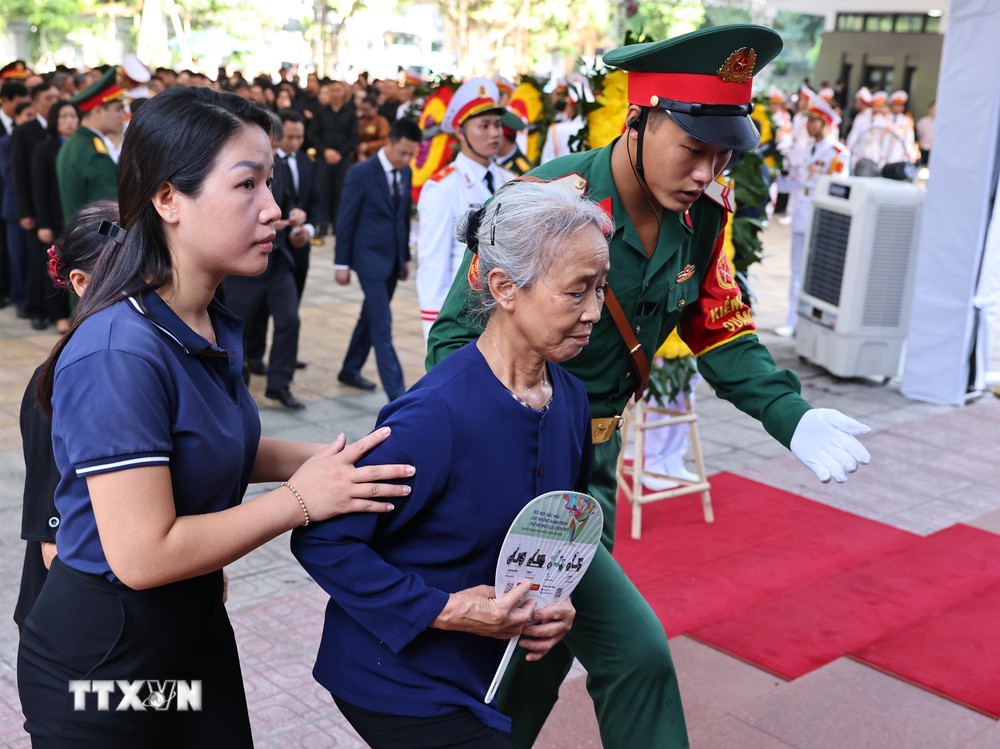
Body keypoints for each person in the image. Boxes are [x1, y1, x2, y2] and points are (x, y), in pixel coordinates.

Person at [428, 26, 872, 749]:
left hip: (595, 468)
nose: (705, 171)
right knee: (636, 653)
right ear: (638, 120)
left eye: (722, 154)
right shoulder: (550, 201)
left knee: (543, 648)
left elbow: (721, 331)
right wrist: (496, 439)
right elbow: (451, 339)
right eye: (692, 149)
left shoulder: (702, 218)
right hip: (519, 460)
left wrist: (790, 415)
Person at [16, 86, 414, 748]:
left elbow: (213, 443)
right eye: (247, 185)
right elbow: (143, 554)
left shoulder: (202, 318)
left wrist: (338, 458)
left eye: (270, 182)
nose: (275, 208)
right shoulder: (121, 349)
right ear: (169, 198)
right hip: (105, 666)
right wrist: (299, 500)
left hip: (190, 629)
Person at [293, 179, 607, 748]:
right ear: (504, 287)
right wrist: (444, 611)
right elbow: (323, 542)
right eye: (577, 291)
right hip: (398, 676)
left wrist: (556, 604)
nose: (594, 313)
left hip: (486, 670)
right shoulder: (435, 415)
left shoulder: (572, 399)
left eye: (601, 289)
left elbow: (560, 530)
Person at [15, 201, 116, 631]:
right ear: (80, 282)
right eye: (127, 274)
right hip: (73, 628)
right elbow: (55, 546)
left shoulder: (130, 364)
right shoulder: (57, 383)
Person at [416, 77, 514, 339]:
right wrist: (436, 335)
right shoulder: (443, 188)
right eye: (484, 125)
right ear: (460, 132)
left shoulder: (509, 181)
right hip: (462, 321)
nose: (494, 133)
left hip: (506, 318)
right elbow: (432, 268)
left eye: (497, 125)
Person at [223, 111, 308, 409]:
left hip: (278, 257)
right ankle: (237, 385)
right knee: (238, 329)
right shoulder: (230, 167)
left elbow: (289, 203)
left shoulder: (279, 167)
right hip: (242, 263)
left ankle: (279, 384)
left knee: (289, 319)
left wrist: (296, 219)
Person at [334, 118, 421, 401]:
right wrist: (341, 263)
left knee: (369, 317)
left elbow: (402, 218)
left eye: (411, 154)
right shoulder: (361, 172)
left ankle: (349, 369)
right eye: (403, 153)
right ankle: (397, 394)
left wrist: (404, 258)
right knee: (382, 324)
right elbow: (346, 219)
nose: (407, 159)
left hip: (393, 259)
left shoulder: (405, 172)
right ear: (389, 143)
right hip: (368, 259)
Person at [779, 94, 850, 337]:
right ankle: (792, 321)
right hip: (801, 215)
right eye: (807, 120)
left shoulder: (838, 153)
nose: (807, 125)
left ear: (826, 124)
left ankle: (813, 324)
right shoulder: (807, 149)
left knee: (819, 274)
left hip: (822, 220)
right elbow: (796, 182)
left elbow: (837, 190)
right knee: (797, 270)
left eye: (813, 120)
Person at [30, 100, 79, 331]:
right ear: (54, 121)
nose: (70, 121)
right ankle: (58, 314)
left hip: (76, 216)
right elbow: (39, 189)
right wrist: (43, 223)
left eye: (73, 116)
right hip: (53, 215)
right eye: (64, 117)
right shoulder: (45, 148)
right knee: (56, 265)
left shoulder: (82, 148)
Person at [56, 68, 124, 223]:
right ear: (98, 110)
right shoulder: (93, 151)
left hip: (79, 236)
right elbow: (109, 211)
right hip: (95, 241)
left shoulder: (75, 142)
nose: (122, 115)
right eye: (118, 109)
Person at [916, 100, 935, 166]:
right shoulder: (923, 121)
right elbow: (918, 134)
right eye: (933, 108)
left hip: (934, 150)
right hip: (923, 148)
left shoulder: (940, 123)